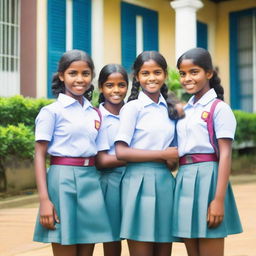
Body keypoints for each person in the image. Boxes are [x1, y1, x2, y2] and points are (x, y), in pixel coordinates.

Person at [33, 49, 113, 256]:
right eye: (73, 73)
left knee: (87, 249)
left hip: (91, 181)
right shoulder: (51, 112)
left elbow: (102, 156)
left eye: (85, 73)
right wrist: (44, 200)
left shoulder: (95, 113)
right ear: (61, 76)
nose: (80, 79)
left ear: (92, 76)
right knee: (65, 246)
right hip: (62, 180)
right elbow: (40, 155)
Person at [172, 47, 243, 256]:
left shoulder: (219, 108)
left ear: (209, 73)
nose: (187, 78)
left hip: (209, 179)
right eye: (182, 73)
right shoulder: (185, 110)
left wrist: (218, 200)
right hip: (184, 180)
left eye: (194, 72)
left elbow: (226, 155)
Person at [114, 51, 179, 256]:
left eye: (157, 72)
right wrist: (161, 155)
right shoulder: (132, 108)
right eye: (145, 73)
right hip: (137, 182)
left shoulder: (172, 108)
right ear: (137, 77)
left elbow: (174, 153)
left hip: (165, 181)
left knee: (163, 251)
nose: (152, 78)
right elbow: (121, 151)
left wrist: (170, 161)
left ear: (165, 75)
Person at [95, 64, 129, 256]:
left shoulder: (134, 112)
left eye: (121, 85)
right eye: (109, 85)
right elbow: (101, 161)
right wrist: (137, 156)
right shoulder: (97, 116)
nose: (116, 90)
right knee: (112, 238)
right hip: (110, 183)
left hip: (134, 177)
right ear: (101, 87)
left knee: (138, 233)